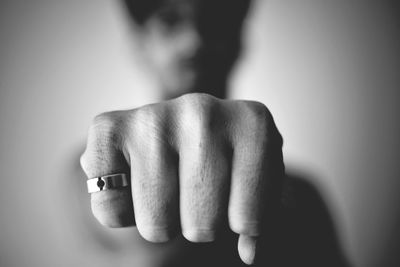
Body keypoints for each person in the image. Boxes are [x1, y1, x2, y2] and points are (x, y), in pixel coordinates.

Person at [79, 0, 349, 266]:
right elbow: (122, 227)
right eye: (169, 21)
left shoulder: (302, 196)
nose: (194, 40)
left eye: (216, 20)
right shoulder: (91, 171)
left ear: (240, 42)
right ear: (138, 46)